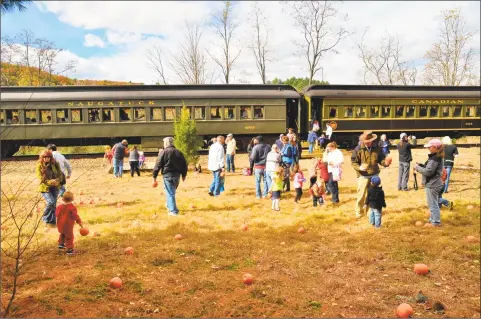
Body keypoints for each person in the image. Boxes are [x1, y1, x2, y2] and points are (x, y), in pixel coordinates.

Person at [351, 130, 391, 219]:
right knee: (361, 195)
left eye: (369, 142)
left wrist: (385, 163)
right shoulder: (358, 149)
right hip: (363, 176)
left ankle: (369, 211)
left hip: (374, 175)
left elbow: (380, 160)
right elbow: (354, 162)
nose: (368, 143)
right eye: (366, 142)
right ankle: (359, 212)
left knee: (372, 195)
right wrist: (359, 168)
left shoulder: (377, 148)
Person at [152, 137, 188, 216]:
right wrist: (184, 175)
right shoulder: (179, 152)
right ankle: (169, 204)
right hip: (177, 176)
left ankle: (173, 211)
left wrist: (154, 177)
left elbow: (158, 165)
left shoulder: (163, 152)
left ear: (165, 144)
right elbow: (184, 164)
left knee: (170, 193)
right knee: (171, 192)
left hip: (167, 175)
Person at [414, 139, 444, 226]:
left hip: (432, 184)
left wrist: (417, 167)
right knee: (433, 203)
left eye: (430, 147)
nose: (428, 149)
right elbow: (429, 169)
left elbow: (428, 172)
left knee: (433, 204)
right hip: (434, 183)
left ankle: (435, 222)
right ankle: (433, 219)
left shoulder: (434, 158)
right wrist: (421, 165)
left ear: (435, 148)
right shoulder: (436, 157)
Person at [36, 149, 64, 226]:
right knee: (50, 202)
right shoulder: (39, 165)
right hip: (45, 187)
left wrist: (57, 181)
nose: (46, 158)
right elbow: (40, 177)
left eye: (48, 157)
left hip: (55, 187)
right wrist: (50, 182)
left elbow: (60, 174)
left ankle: (52, 222)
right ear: (42, 157)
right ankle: (45, 218)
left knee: (54, 204)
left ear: (50, 157)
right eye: (44, 157)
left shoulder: (55, 164)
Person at [55, 191, 83, 256]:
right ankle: (70, 250)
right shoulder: (72, 208)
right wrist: (79, 222)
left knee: (62, 233)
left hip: (60, 224)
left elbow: (56, 214)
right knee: (70, 237)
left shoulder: (59, 207)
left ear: (62, 199)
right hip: (68, 225)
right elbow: (75, 216)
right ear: (73, 199)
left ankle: (61, 244)